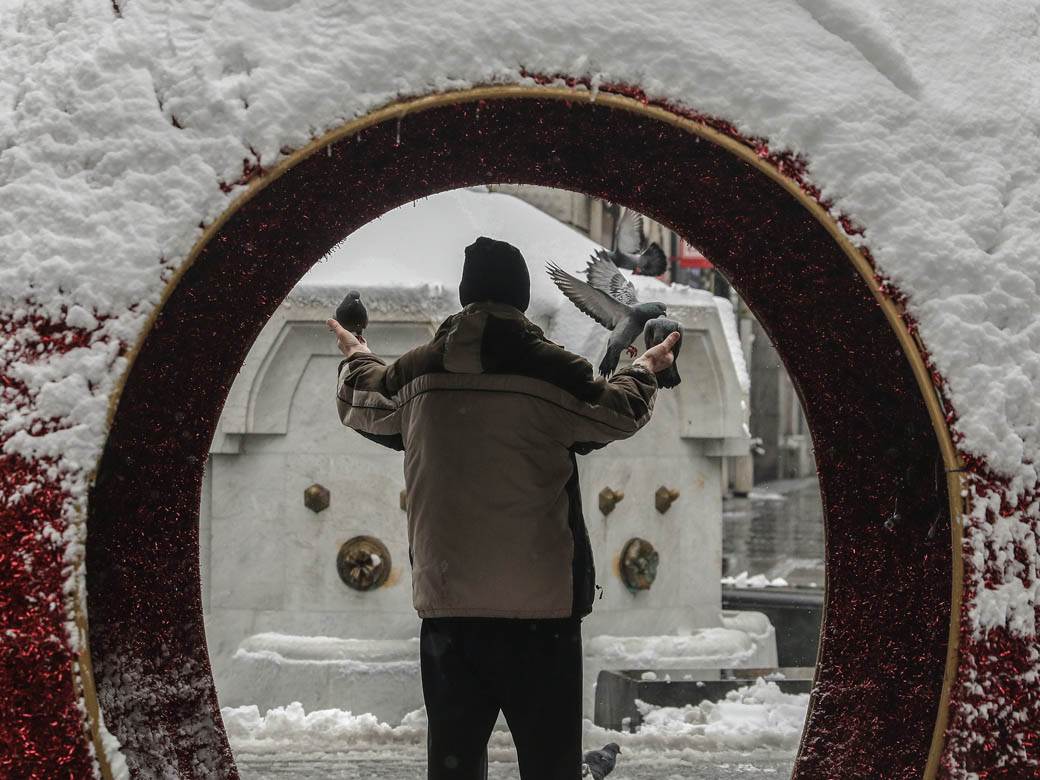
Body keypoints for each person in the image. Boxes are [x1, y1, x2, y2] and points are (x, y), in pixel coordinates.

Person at [327, 236, 678, 779]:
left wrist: (355, 352)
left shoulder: (418, 373)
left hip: (450, 612)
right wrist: (648, 367)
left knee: (455, 764)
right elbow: (620, 411)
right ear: (521, 297)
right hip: (541, 614)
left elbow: (362, 400)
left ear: (466, 294)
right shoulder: (553, 371)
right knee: (549, 764)